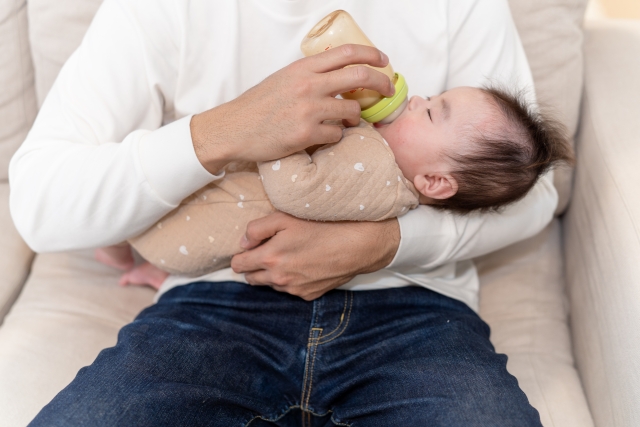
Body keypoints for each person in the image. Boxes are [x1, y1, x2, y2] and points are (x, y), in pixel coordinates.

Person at [9, 0, 556, 425]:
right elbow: (39, 206)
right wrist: (223, 131)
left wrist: (385, 244)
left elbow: (532, 191)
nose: (417, 102)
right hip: (216, 300)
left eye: (432, 107)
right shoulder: (161, 11)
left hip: (415, 305)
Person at [96, 86, 572, 290]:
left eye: (431, 112)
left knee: (127, 224)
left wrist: (276, 132)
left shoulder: (379, 174)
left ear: (433, 181)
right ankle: (150, 268)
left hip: (187, 230)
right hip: (207, 219)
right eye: (434, 96)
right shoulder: (384, 160)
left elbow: (296, 193)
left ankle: (131, 256)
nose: (419, 98)